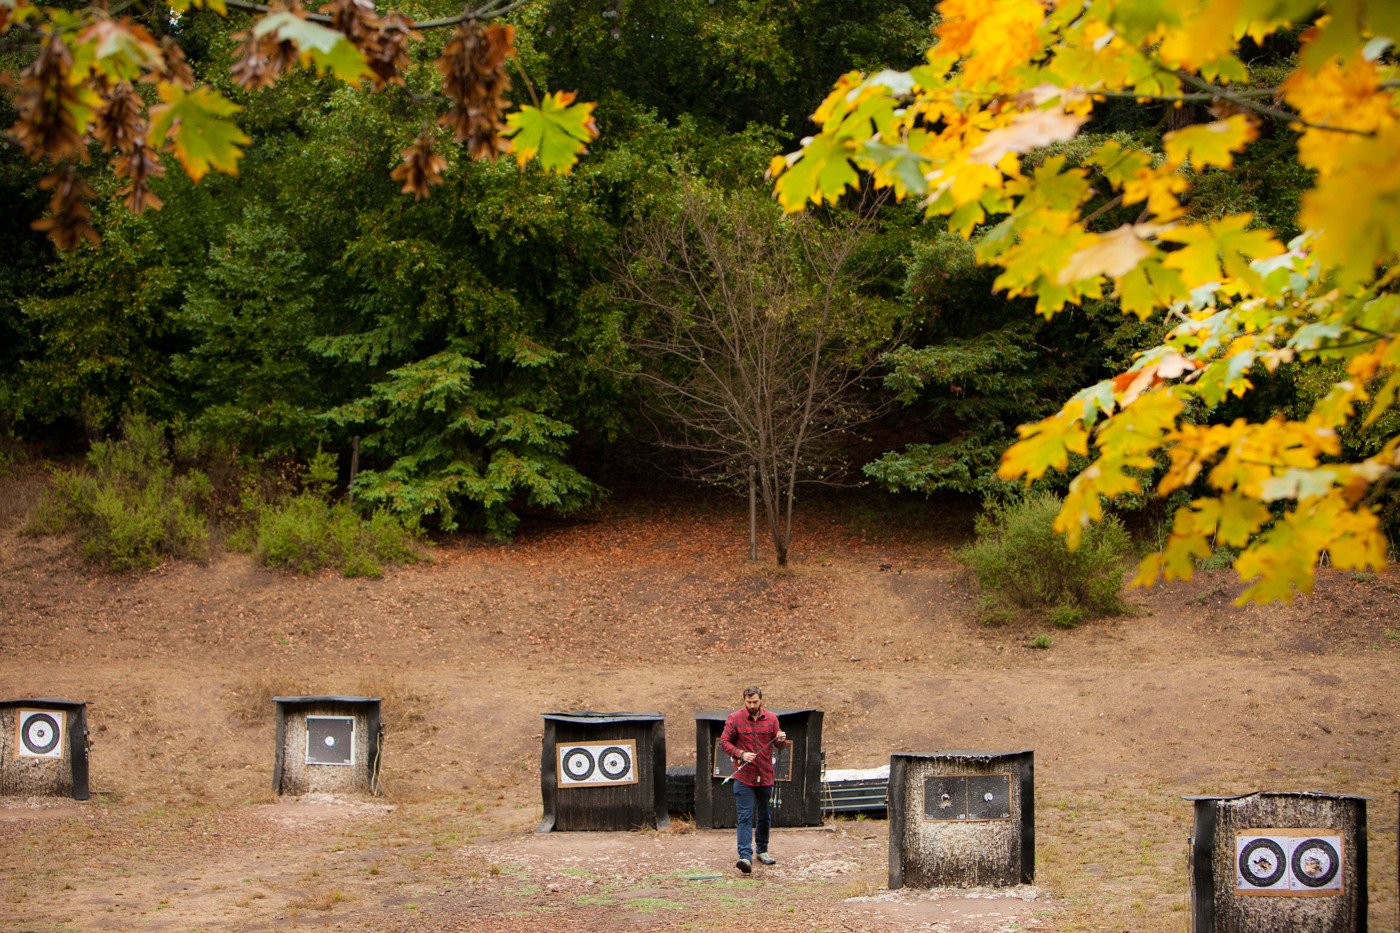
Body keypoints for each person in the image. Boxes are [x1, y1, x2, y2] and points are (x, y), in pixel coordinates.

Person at [718, 686, 787, 874]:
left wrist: (781, 738)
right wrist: (741, 753)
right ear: (744, 701)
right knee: (744, 816)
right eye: (748, 702)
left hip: (765, 775)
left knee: (764, 815)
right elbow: (724, 742)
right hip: (744, 777)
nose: (752, 705)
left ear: (761, 700)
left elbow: (780, 746)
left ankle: (762, 850)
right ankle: (745, 856)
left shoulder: (772, 718)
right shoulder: (735, 718)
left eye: (755, 702)